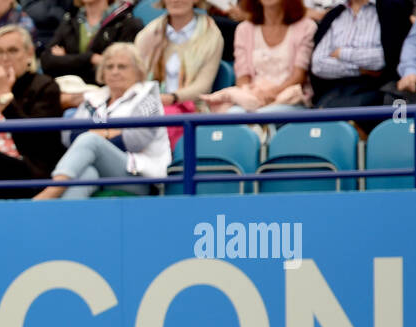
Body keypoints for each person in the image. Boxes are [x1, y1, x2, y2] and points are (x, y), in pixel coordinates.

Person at [34, 41, 168, 198]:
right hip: (99, 168)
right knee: (87, 174)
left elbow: (137, 139)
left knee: (90, 140)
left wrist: (97, 137)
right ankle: (62, 218)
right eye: (109, 67)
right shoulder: (93, 98)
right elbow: (68, 135)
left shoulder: (149, 99)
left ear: (138, 71)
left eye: (122, 66)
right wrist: (109, 133)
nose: (115, 72)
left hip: (140, 177)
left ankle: (52, 191)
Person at [0, 23, 64, 198]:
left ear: (29, 54)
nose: (5, 58)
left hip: (27, 171)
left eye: (12, 51)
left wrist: (4, 95)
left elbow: (38, 145)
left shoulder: (44, 86)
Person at [201, 0, 316, 113]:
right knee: (234, 114)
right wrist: (253, 96)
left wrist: (271, 94)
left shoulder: (306, 26)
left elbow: (299, 76)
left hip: (291, 99)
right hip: (254, 97)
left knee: (261, 116)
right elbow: (243, 78)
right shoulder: (244, 29)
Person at [134, 0, 221, 147]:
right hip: (149, 104)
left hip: (191, 107)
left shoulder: (211, 34)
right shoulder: (149, 33)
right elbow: (135, 75)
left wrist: (172, 98)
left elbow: (203, 85)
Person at [310, 0, 412, 111]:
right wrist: (360, 69)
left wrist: (341, 53)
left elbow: (384, 58)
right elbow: (318, 64)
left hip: (378, 90)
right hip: (334, 90)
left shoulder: (391, 9)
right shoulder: (335, 14)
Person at [40, 0, 142, 85]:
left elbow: (117, 71)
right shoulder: (70, 20)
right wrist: (91, 59)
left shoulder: (126, 23)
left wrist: (65, 60)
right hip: (68, 87)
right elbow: (47, 62)